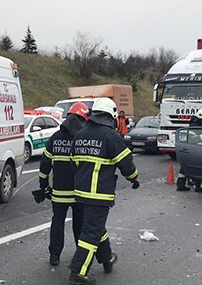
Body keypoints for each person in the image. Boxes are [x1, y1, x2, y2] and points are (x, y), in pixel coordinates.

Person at [69, 97, 140, 285]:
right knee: (91, 233)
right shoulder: (111, 137)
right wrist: (134, 178)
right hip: (99, 195)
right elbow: (126, 164)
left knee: (95, 226)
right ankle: (78, 272)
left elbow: (74, 161)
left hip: (81, 193)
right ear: (112, 116)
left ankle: (107, 258)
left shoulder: (80, 134)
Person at [38, 102, 90, 266]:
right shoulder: (82, 139)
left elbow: (45, 163)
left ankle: (54, 255)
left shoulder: (55, 138)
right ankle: (80, 256)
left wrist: (43, 184)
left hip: (58, 193)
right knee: (79, 223)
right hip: (78, 193)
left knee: (58, 222)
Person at [176, 109, 202, 192]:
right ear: (200, 117)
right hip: (197, 150)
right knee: (200, 168)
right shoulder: (197, 126)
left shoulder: (193, 124)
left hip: (189, 149)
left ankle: (181, 185)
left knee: (184, 168)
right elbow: (198, 139)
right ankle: (199, 187)